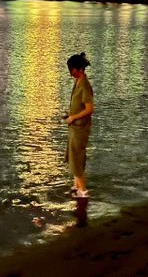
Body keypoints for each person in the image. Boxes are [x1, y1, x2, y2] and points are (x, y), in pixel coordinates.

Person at [64, 52, 94, 199]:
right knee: (73, 155)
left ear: (79, 69)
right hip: (74, 126)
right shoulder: (78, 82)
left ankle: (82, 191)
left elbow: (89, 109)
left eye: (72, 70)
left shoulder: (85, 86)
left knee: (77, 156)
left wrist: (73, 117)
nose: (71, 73)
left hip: (80, 128)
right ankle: (76, 186)